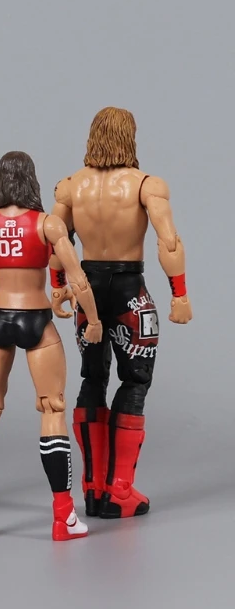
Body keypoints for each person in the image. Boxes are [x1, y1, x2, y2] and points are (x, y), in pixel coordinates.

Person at [49, 107, 192, 519]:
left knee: (91, 378)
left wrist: (58, 285)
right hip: (129, 290)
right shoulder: (146, 185)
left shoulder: (70, 186)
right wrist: (179, 294)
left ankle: (94, 489)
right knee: (135, 380)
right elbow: (169, 241)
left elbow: (56, 241)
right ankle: (119, 489)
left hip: (88, 290)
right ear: (130, 137)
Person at [0, 151, 103, 541]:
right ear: (31, 181)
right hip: (36, 317)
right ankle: (63, 517)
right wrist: (94, 319)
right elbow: (78, 278)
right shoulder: (47, 224)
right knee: (52, 409)